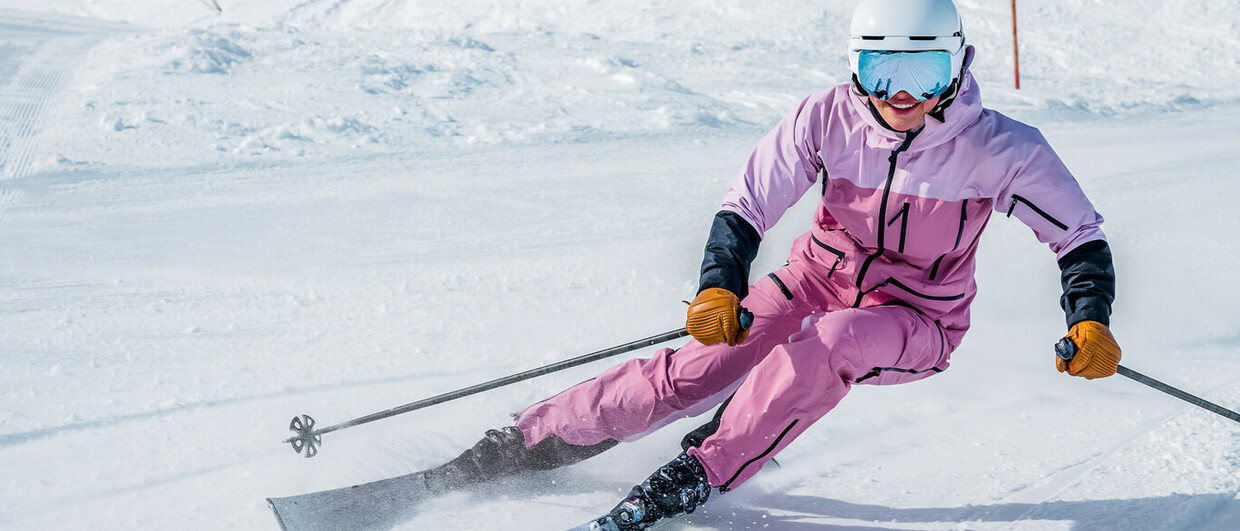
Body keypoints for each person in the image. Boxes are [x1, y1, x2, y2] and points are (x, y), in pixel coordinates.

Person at [421, 0, 1121, 528]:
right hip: (813, 278)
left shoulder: (1003, 149)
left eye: (922, 71)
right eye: (882, 71)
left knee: (829, 344)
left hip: (916, 319)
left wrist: (1088, 320)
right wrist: (719, 286)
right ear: (856, 67)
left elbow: (1078, 238)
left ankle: (700, 468)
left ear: (956, 64)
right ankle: (525, 438)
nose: (899, 96)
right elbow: (749, 200)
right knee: (698, 364)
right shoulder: (827, 119)